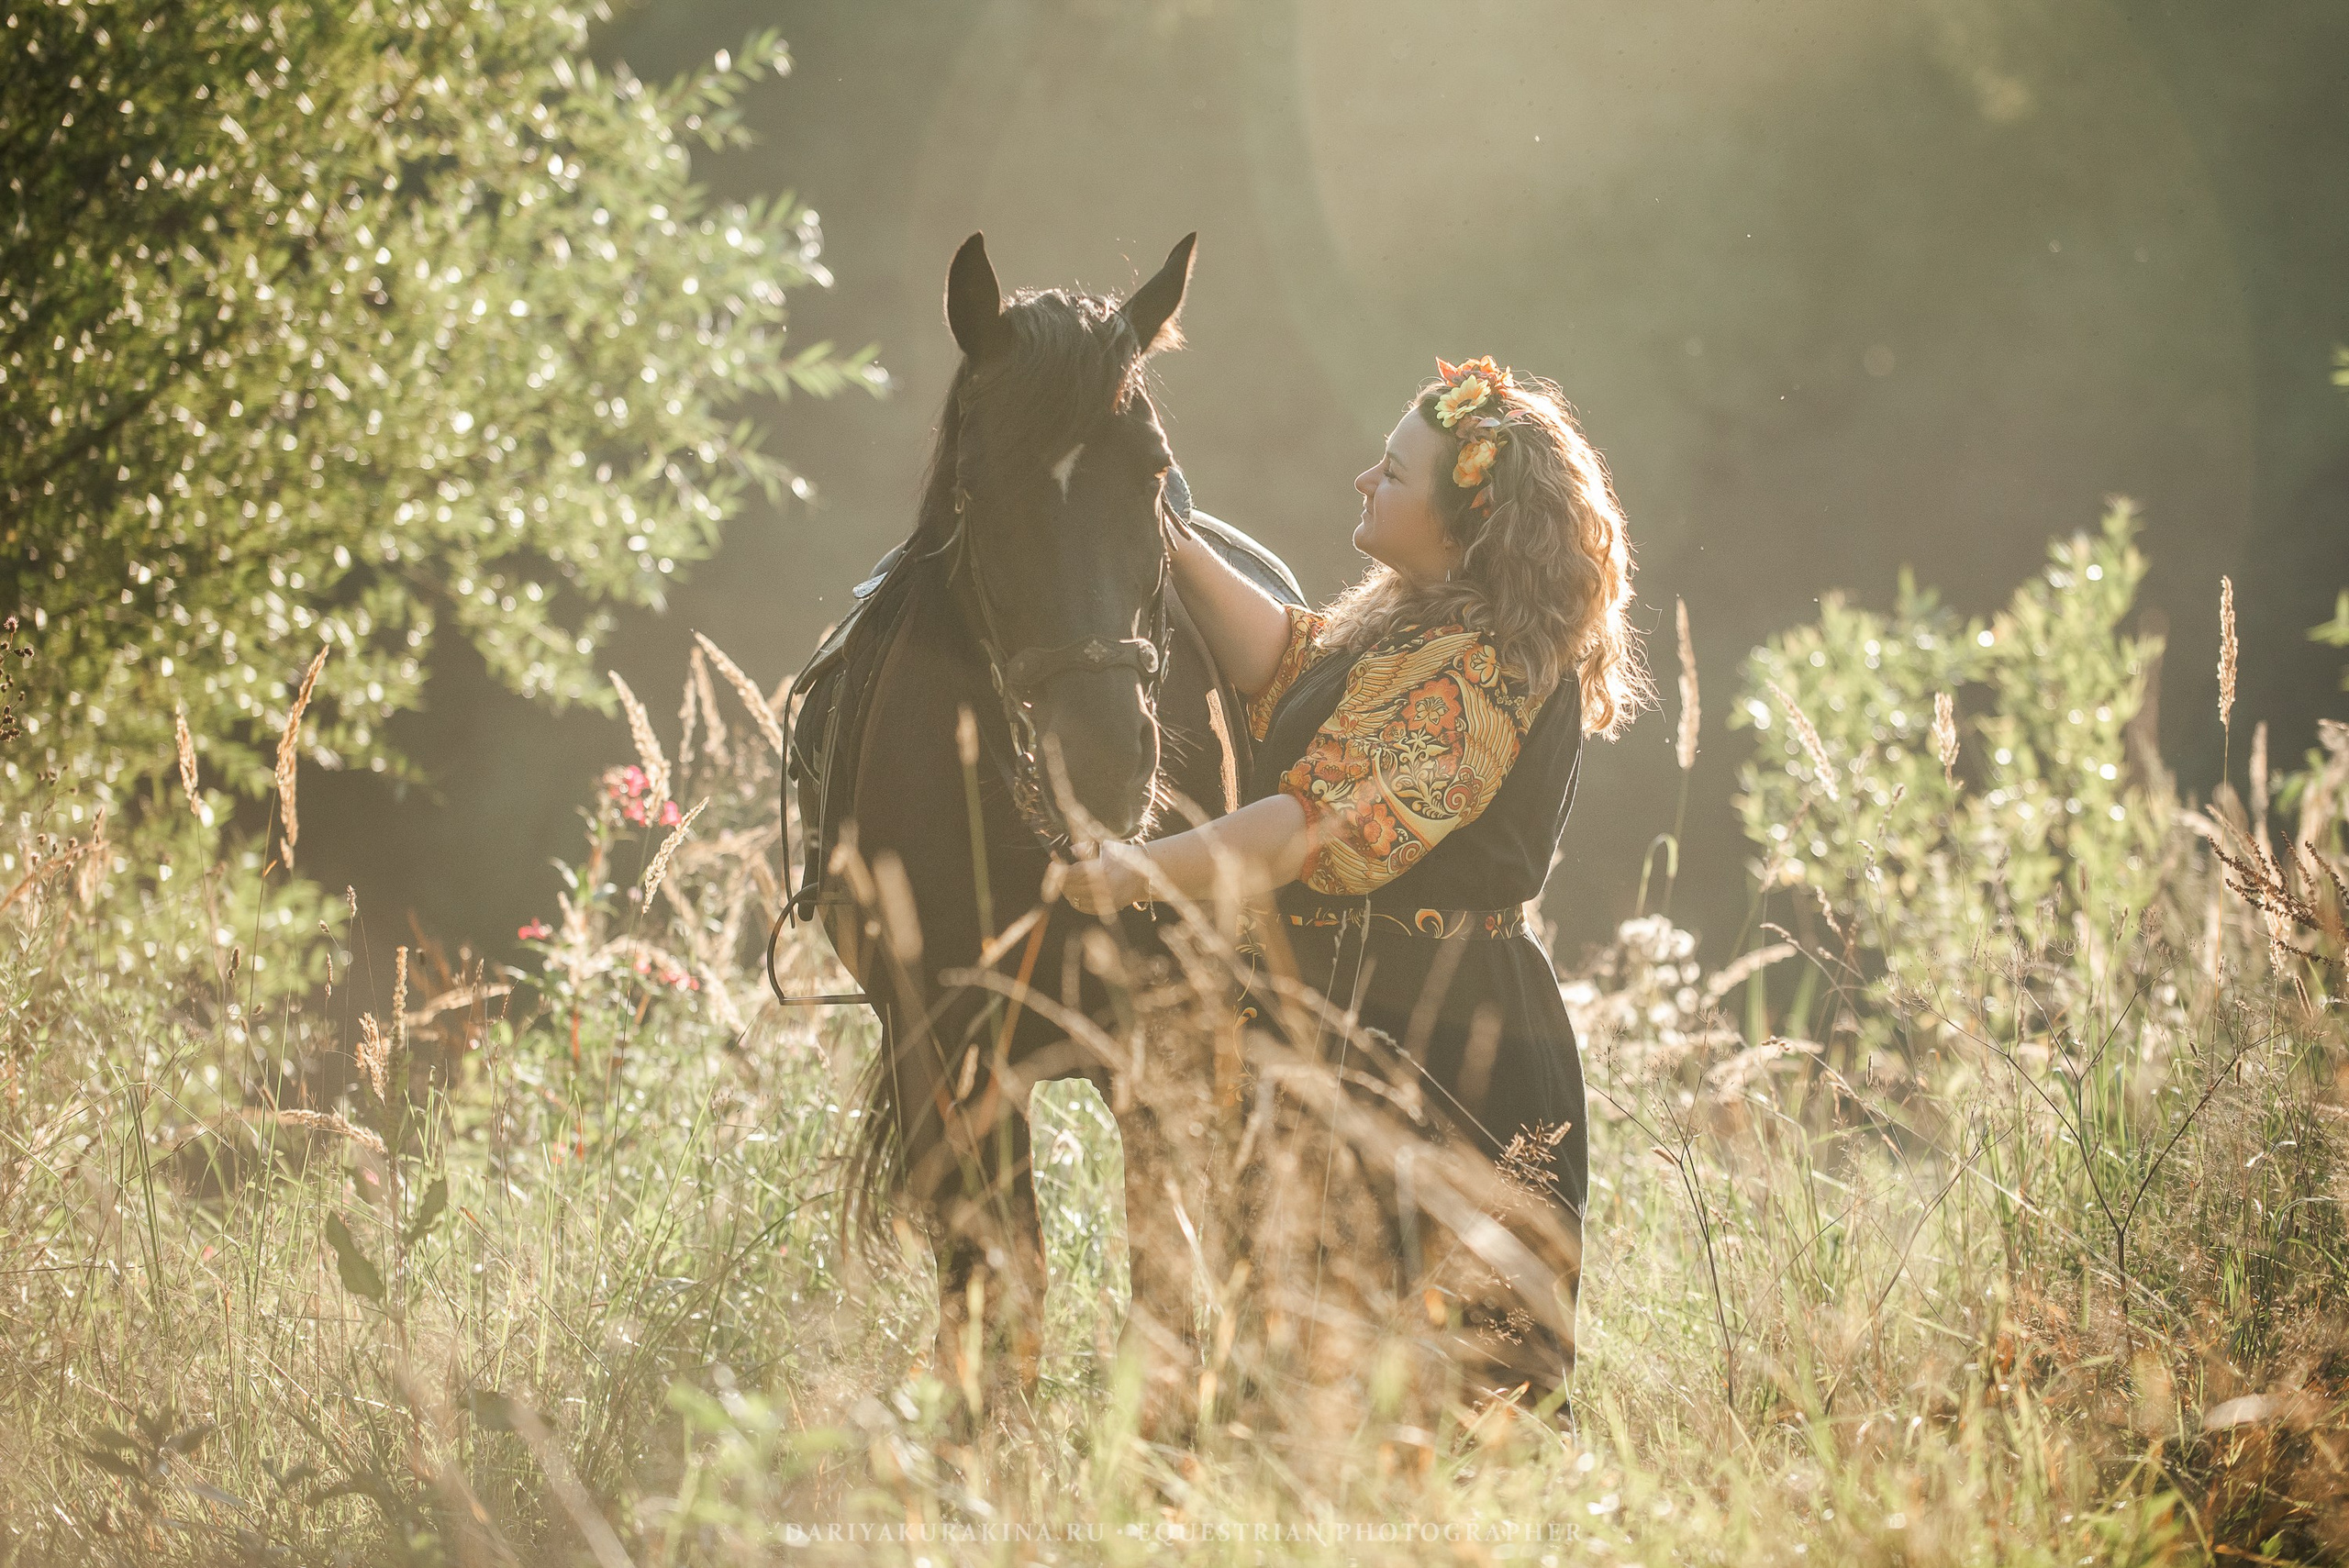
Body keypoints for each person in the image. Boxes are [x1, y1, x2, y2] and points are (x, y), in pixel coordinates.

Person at [1061, 355, 1648, 1409]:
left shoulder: (1479, 664)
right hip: (1341, 1012)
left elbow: (1305, 831)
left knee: (1452, 1402)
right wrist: (1165, 532)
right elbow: (1283, 661)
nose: (1362, 483)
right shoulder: (1417, 625)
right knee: (1298, 1383)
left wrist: (1135, 874)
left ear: (1465, 524)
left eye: (1392, 472)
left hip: (1442, 1041)